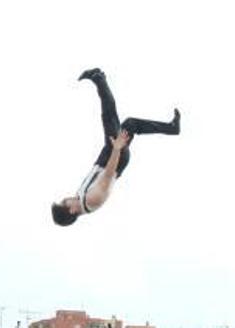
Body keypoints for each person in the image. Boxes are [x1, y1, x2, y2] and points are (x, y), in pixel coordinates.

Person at [51, 68, 181, 226]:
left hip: (109, 154)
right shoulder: (92, 200)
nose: (65, 198)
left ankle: (172, 128)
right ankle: (98, 77)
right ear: (71, 210)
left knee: (131, 124)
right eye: (64, 202)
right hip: (114, 157)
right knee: (109, 115)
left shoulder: (80, 198)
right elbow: (108, 175)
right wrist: (117, 148)